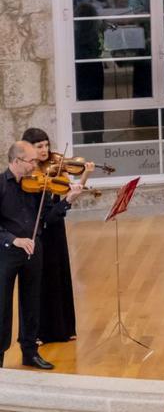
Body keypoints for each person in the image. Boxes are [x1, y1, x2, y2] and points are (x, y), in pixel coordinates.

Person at [0, 141, 83, 369]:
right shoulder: (1, 185)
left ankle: (30, 352)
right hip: (6, 254)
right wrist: (13, 239)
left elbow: (48, 219)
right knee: (2, 307)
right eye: (32, 161)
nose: (37, 164)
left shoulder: (39, 186)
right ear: (16, 161)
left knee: (31, 303)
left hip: (33, 251)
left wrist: (67, 201)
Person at [21, 129, 88, 345]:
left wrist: (84, 175)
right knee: (40, 282)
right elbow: (45, 214)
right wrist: (67, 200)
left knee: (59, 275)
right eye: (39, 146)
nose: (45, 150)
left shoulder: (54, 168)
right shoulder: (28, 176)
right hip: (39, 232)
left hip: (56, 229)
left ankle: (63, 329)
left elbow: (67, 190)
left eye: (46, 145)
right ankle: (39, 332)